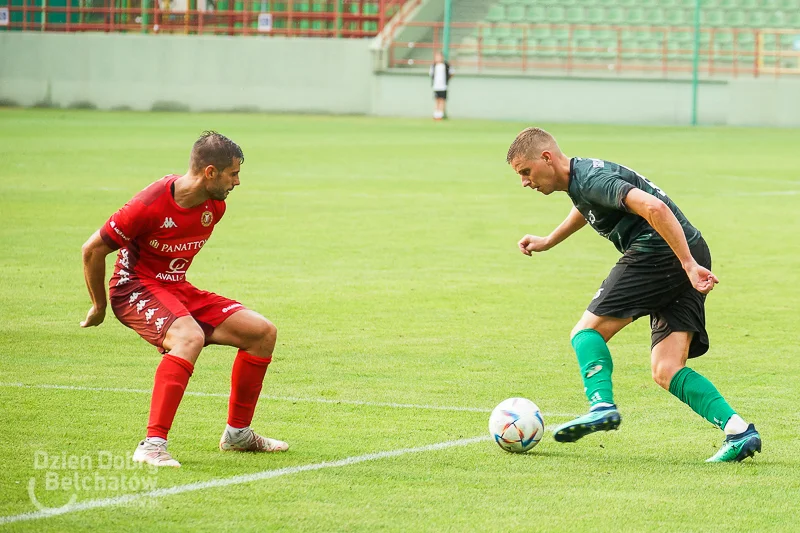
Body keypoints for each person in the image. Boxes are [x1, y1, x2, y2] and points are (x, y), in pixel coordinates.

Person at [506, 127, 761, 462]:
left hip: (661, 252)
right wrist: (547, 241)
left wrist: (686, 264)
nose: (525, 181)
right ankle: (739, 431)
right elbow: (587, 207)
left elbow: (654, 208)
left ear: (547, 158)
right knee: (666, 369)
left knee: (586, 332)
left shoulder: (591, 179)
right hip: (688, 250)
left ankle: (601, 405)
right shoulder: (582, 179)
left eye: (526, 172)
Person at [80, 131, 288, 468]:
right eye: (233, 173)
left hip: (175, 287)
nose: (238, 182)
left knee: (261, 332)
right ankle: (152, 446)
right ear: (210, 172)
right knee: (188, 337)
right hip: (133, 288)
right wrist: (99, 305)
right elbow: (92, 249)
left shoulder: (214, 206)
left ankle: (238, 435)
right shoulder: (149, 204)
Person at [429, 51, 453, 121]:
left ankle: (440, 115)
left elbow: (451, 73)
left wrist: (447, 80)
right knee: (437, 100)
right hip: (436, 86)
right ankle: (436, 114)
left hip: (443, 86)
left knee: (442, 100)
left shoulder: (446, 65)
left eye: (439, 57)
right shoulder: (433, 66)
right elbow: (431, 74)